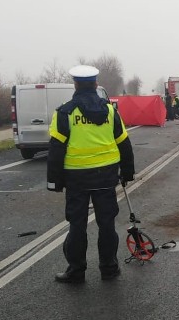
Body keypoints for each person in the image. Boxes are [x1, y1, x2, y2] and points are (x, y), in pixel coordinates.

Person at [47, 65, 135, 284]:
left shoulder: (65, 112)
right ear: (96, 85)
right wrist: (127, 171)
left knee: (77, 225)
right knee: (107, 224)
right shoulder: (110, 110)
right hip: (106, 177)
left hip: (76, 178)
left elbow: (56, 148)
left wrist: (54, 181)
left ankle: (76, 271)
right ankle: (109, 268)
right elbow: (124, 143)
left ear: (75, 84)